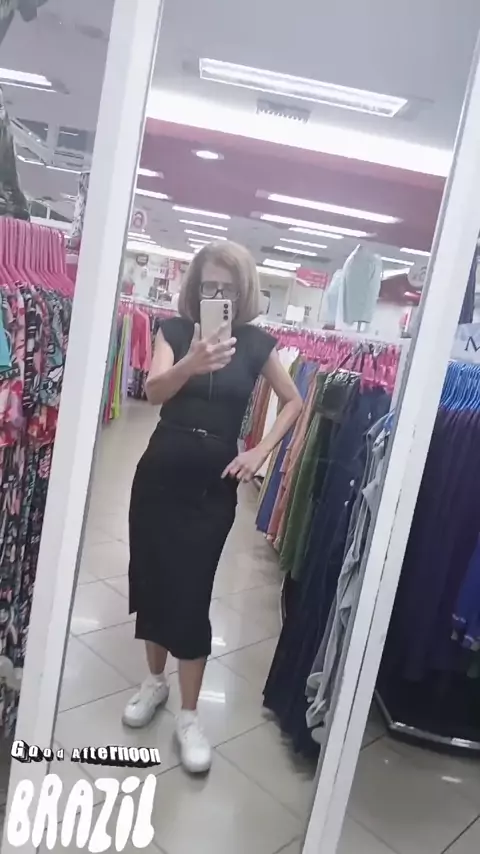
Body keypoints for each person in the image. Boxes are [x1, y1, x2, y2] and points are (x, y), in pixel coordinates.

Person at [123, 241, 302, 773]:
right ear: (195, 286)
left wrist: (260, 450)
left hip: (213, 483)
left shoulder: (256, 344)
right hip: (160, 471)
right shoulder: (174, 331)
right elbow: (154, 391)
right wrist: (191, 361)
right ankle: (153, 682)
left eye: (227, 287)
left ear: (242, 291)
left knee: (192, 588)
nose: (217, 294)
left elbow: (293, 400)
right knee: (152, 578)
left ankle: (189, 715)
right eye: (209, 286)